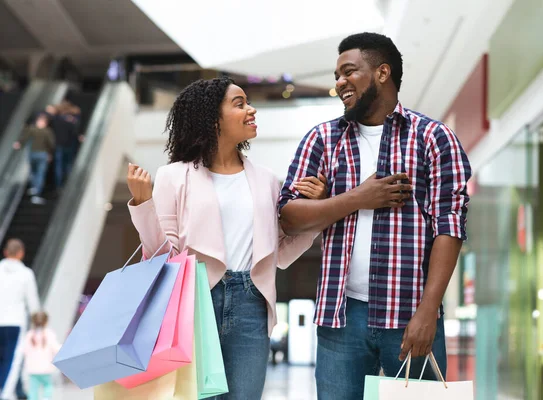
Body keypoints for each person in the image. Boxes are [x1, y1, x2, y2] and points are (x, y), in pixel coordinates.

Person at [278, 32, 472, 399]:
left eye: (349, 71)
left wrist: (429, 310)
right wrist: (356, 198)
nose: (339, 83)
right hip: (341, 318)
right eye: (336, 75)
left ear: (383, 73)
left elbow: (450, 226)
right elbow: (288, 216)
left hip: (411, 313)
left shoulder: (433, 138)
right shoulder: (322, 140)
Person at [126, 77, 326, 400]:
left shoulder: (267, 181)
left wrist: (316, 215)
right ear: (212, 117)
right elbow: (162, 255)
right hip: (194, 301)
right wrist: (142, 204)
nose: (251, 109)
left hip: (252, 303)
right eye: (240, 103)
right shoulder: (173, 176)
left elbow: (282, 252)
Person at [0, 239, 41, 400]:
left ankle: (18, 391)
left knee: (4, 359)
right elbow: (33, 302)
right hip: (15, 323)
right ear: (21, 253)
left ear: (5, 252)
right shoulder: (26, 274)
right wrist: (38, 325)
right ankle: (4, 393)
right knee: (12, 360)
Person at [12, 114, 55, 205]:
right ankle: (37, 190)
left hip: (35, 154)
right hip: (41, 154)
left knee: (35, 172)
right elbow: (51, 144)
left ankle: (35, 188)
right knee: (39, 173)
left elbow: (25, 138)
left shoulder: (33, 130)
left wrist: (19, 144)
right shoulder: (47, 131)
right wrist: (50, 154)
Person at [22, 312, 60, 400]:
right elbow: (56, 349)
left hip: (32, 369)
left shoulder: (29, 335)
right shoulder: (50, 334)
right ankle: (46, 398)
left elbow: (24, 350)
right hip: (46, 369)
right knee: (48, 386)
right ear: (46, 321)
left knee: (33, 389)